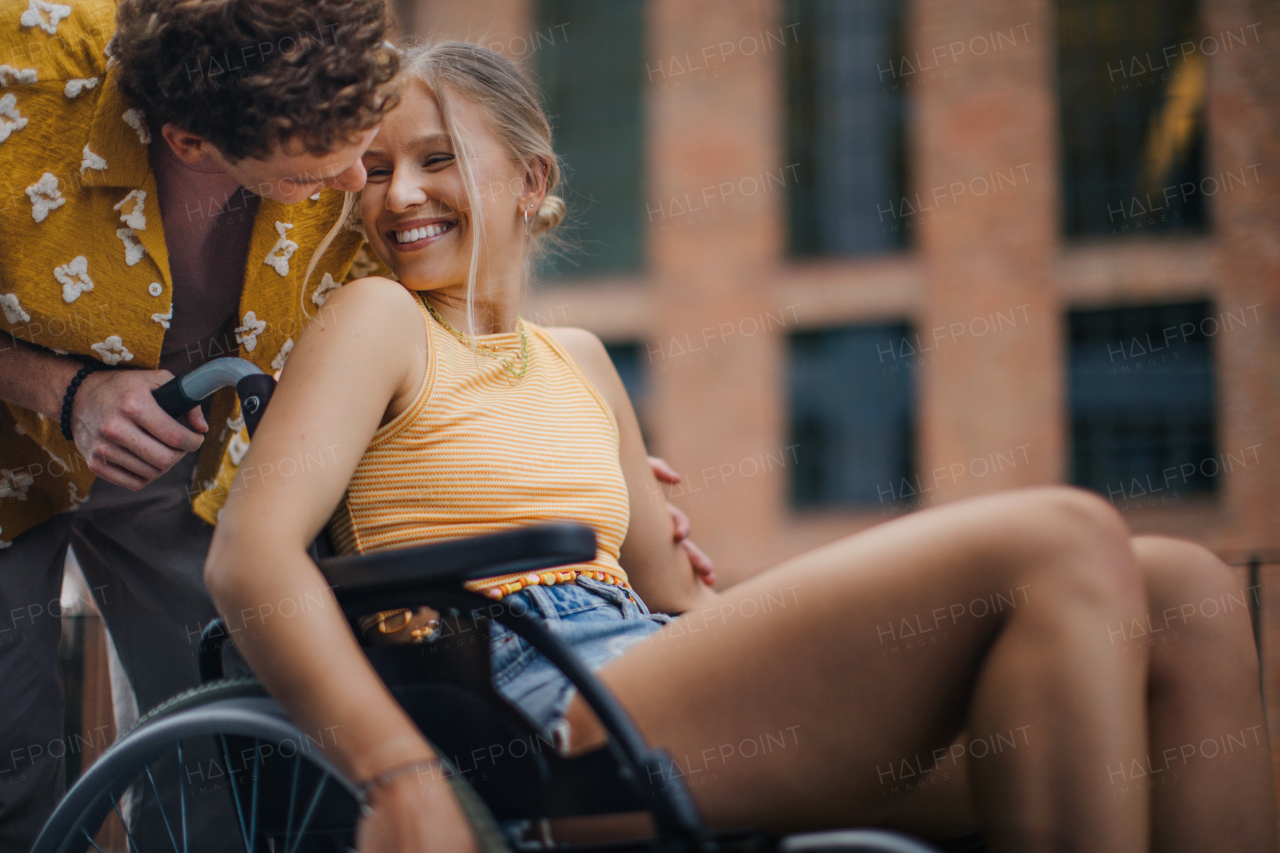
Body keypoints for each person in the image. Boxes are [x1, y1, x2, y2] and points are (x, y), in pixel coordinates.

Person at [204, 41, 1279, 853]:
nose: (399, 197)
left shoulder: (579, 358)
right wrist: (396, 773)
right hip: (531, 701)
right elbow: (250, 556)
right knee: (1063, 531)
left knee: (1182, 587)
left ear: (530, 183)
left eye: (436, 160)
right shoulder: (374, 321)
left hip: (649, 658)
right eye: (376, 170)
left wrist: (802, 646)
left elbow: (677, 602)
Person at [0, 0, 399, 843]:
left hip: (187, 455)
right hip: (11, 445)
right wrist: (68, 392)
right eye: (308, 175)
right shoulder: (20, 71)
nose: (354, 184)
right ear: (186, 141)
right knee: (13, 770)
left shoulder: (342, 110)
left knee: (230, 754)